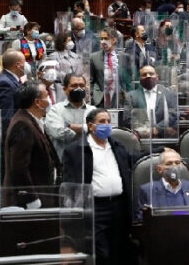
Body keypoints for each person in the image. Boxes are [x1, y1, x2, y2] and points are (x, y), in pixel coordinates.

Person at [62, 108, 132, 264]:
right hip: (95, 207)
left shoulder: (117, 146)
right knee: (101, 252)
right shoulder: (75, 150)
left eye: (108, 121)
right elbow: (69, 183)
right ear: (91, 126)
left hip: (119, 206)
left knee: (118, 250)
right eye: (102, 122)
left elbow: (134, 159)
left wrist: (158, 150)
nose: (106, 125)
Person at [2, 81, 60, 209]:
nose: (50, 100)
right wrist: (31, 199)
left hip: (43, 196)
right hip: (29, 204)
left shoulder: (31, 121)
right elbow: (18, 168)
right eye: (47, 96)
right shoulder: (23, 125)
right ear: (37, 102)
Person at [136, 148, 189, 221]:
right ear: (159, 169)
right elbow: (141, 220)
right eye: (169, 163)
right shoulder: (147, 190)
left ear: (181, 166)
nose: (174, 167)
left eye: (177, 163)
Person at [45, 74, 95, 159]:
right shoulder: (55, 110)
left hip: (88, 162)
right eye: (74, 86)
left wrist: (69, 126)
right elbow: (59, 133)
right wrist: (87, 130)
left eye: (82, 85)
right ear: (65, 89)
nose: (78, 88)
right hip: (64, 162)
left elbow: (99, 132)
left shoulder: (93, 110)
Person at [123, 65, 178, 138]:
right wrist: (143, 131)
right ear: (140, 79)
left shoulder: (168, 94)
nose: (148, 76)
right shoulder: (131, 96)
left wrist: (157, 129)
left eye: (151, 74)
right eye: (144, 74)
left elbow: (173, 115)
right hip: (140, 139)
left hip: (164, 137)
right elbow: (127, 118)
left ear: (157, 77)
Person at [90, 27, 132, 108]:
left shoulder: (124, 57)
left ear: (114, 40)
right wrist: (93, 97)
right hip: (100, 100)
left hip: (120, 98)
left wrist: (129, 97)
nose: (103, 42)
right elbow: (90, 81)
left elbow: (128, 81)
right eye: (101, 39)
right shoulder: (93, 57)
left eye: (106, 38)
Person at [0, 49, 25, 138]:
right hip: (10, 139)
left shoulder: (11, 80)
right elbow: (6, 117)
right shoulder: (5, 83)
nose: (26, 66)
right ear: (18, 65)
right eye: (24, 62)